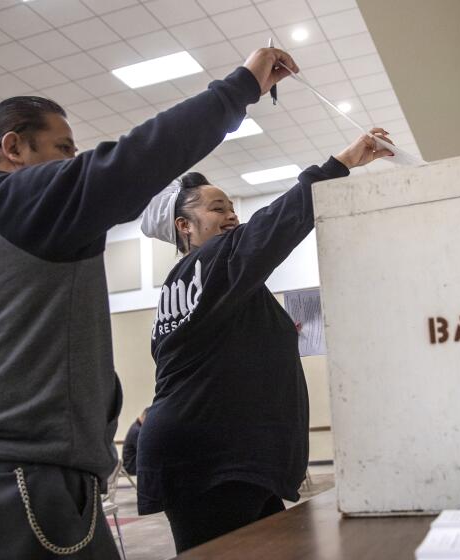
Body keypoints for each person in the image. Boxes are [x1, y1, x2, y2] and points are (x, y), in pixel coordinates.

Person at [0, 47, 300, 559]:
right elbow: (135, 159)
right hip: (16, 481)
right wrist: (241, 87)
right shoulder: (15, 199)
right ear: (14, 147)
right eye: (63, 149)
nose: (71, 163)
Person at [136, 128, 393, 552]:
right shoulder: (212, 263)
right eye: (219, 208)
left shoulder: (185, 283)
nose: (233, 216)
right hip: (211, 458)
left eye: (233, 207)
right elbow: (274, 227)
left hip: (214, 453)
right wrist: (341, 164)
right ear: (185, 226)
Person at [122, 408, 148, 476]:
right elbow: (144, 450)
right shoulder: (137, 431)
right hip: (131, 465)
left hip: (130, 463)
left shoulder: (136, 427)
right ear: (144, 418)